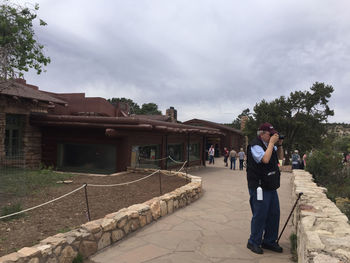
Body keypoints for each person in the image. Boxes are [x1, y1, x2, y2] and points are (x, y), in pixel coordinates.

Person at [246, 122, 283, 254]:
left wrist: (279, 144)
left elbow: (280, 157)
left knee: (274, 214)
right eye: (270, 134)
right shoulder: (255, 145)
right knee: (260, 214)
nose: (273, 136)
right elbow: (265, 159)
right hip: (259, 187)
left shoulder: (269, 145)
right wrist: (272, 144)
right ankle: (253, 242)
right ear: (262, 134)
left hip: (271, 185)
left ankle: (269, 241)